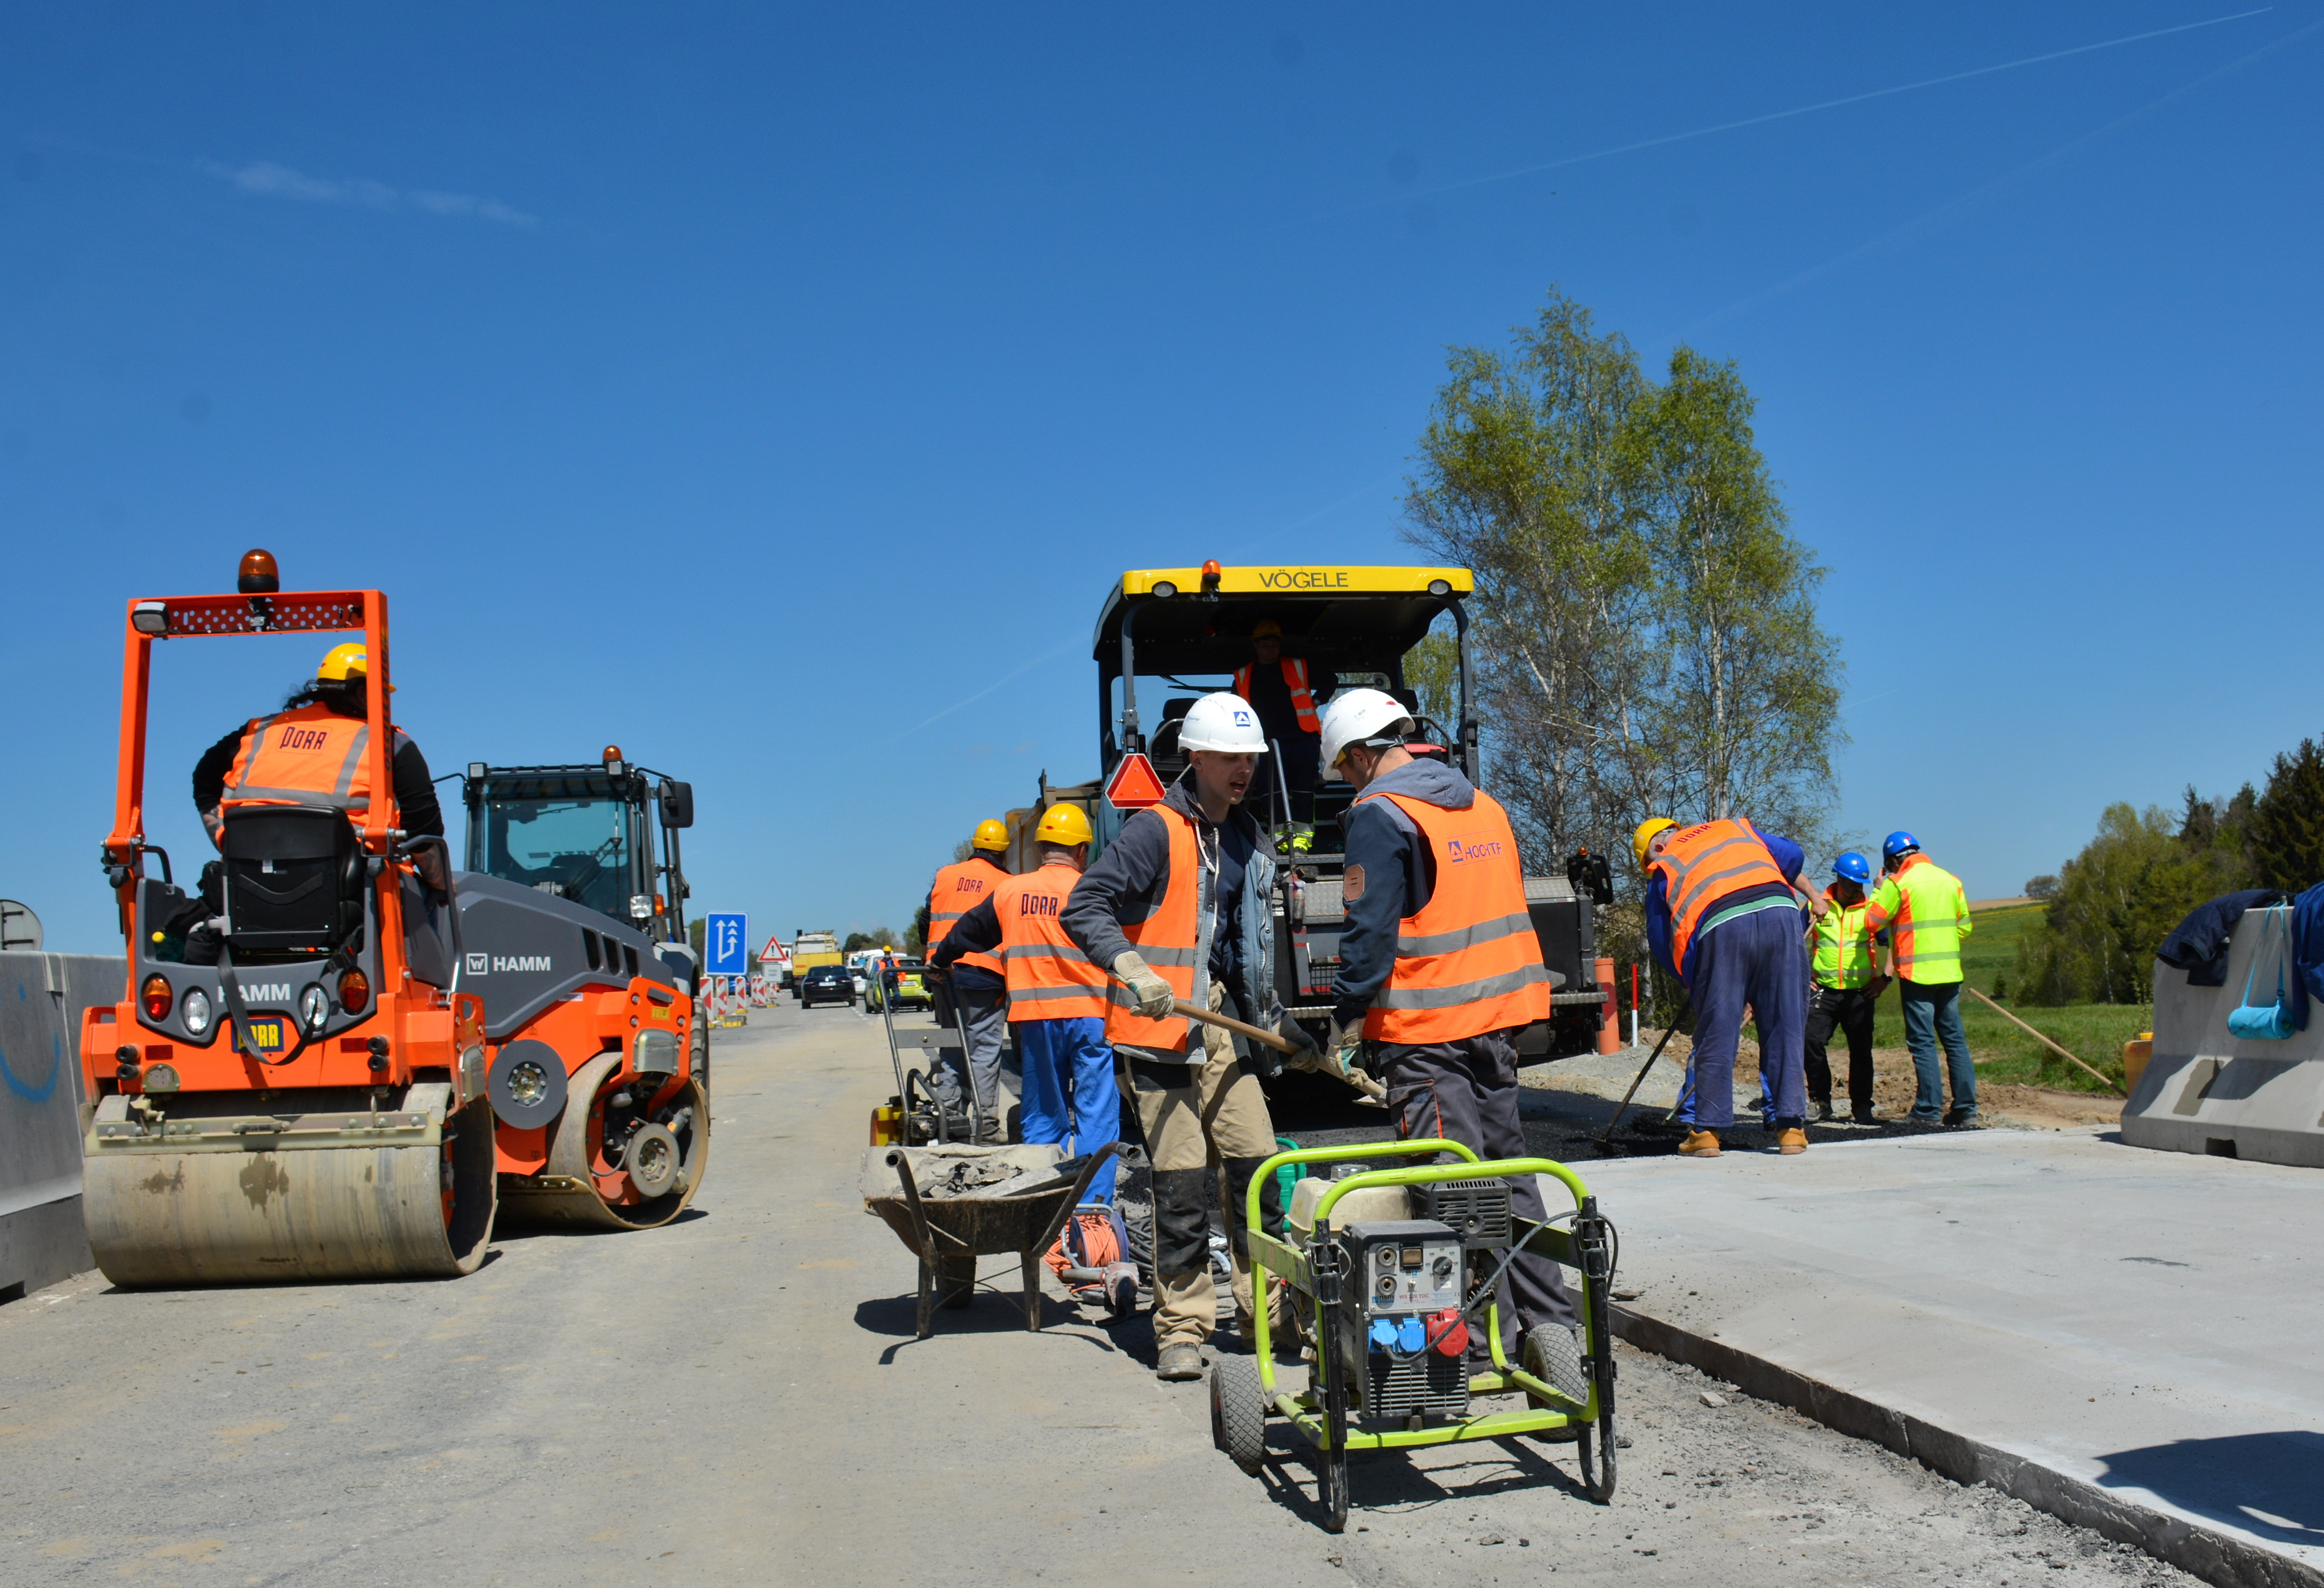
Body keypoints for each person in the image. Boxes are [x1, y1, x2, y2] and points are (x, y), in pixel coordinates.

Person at [1319, 689, 1589, 1401]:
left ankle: (1465, 1346)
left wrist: (1343, 1018)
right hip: (1496, 1025)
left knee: (1447, 1191)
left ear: (1358, 753)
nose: (1351, 781)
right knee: (1510, 1175)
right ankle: (1548, 1328)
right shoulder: (1484, 805)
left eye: (1347, 768)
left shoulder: (1380, 813)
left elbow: (1368, 931)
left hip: (1425, 1034)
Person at [1062, 691, 1295, 1382]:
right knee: (1183, 1179)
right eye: (1229, 757)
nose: (1241, 769)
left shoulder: (1250, 836)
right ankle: (1184, 1327)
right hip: (1158, 1027)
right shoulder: (1154, 831)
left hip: (1223, 1019)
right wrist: (1130, 965)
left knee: (1258, 1166)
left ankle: (1269, 1310)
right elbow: (1085, 905)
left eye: (1248, 758)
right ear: (1195, 756)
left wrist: (1279, 1022)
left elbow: (1247, 947)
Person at [931, 804, 1120, 1200]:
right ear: (1083, 851)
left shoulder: (1010, 892)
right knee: (1096, 1115)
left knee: (1044, 1115)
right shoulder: (1093, 892)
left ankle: (1044, 1200)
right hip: (1092, 1019)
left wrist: (940, 959)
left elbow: (967, 933)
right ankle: (1094, 1208)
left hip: (1036, 1020)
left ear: (1039, 851)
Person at [1636, 813, 1812, 1158]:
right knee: (1785, 1025)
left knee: (1718, 1031)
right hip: (1781, 913)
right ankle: (1791, 1128)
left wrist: (1695, 980)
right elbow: (1792, 857)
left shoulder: (1665, 865)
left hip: (1722, 925)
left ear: (1658, 846)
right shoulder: (1735, 827)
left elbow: (1662, 941)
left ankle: (1706, 1133)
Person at [193, 641, 442, 842]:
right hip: (360, 890)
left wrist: (222, 836)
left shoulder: (259, 731)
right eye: (383, 694)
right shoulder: (389, 742)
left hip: (249, 881)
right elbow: (423, 828)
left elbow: (205, 777)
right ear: (363, 693)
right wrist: (442, 886)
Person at [1863, 831, 1976, 1126]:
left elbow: (1871, 922)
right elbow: (1964, 928)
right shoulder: (1951, 880)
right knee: (1955, 1041)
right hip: (1950, 974)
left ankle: (1927, 1111)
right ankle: (1966, 1111)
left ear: (1891, 861)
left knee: (1923, 1043)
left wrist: (1878, 890)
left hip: (1917, 975)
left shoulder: (1897, 883)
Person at [922, 819, 1011, 1139]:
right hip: (983, 976)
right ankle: (986, 1125)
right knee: (984, 1049)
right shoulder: (1004, 882)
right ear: (1003, 851)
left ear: (975, 846)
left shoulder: (945, 875)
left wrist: (930, 959)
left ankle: (951, 1119)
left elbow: (925, 919)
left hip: (940, 974)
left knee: (952, 1047)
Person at [1232, 619, 1336, 853]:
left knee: (1303, 794)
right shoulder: (1242, 676)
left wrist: (1317, 700)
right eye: (1265, 644)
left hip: (1301, 741)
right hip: (1264, 746)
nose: (1271, 648)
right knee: (1271, 796)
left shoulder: (1298, 666)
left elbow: (1331, 680)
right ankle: (1278, 843)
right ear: (1256, 646)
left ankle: (1300, 844)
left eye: (1274, 644)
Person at [1805, 850, 1888, 1124]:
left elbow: (1895, 942)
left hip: (1860, 994)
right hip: (1824, 991)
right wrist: (1804, 975)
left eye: (1861, 884)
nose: (1857, 889)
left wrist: (1885, 978)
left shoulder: (1870, 910)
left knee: (1862, 1051)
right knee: (1811, 1042)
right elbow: (1792, 942)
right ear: (1839, 879)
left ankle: (1862, 1106)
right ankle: (1820, 1101)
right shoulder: (1816, 905)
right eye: (1852, 883)